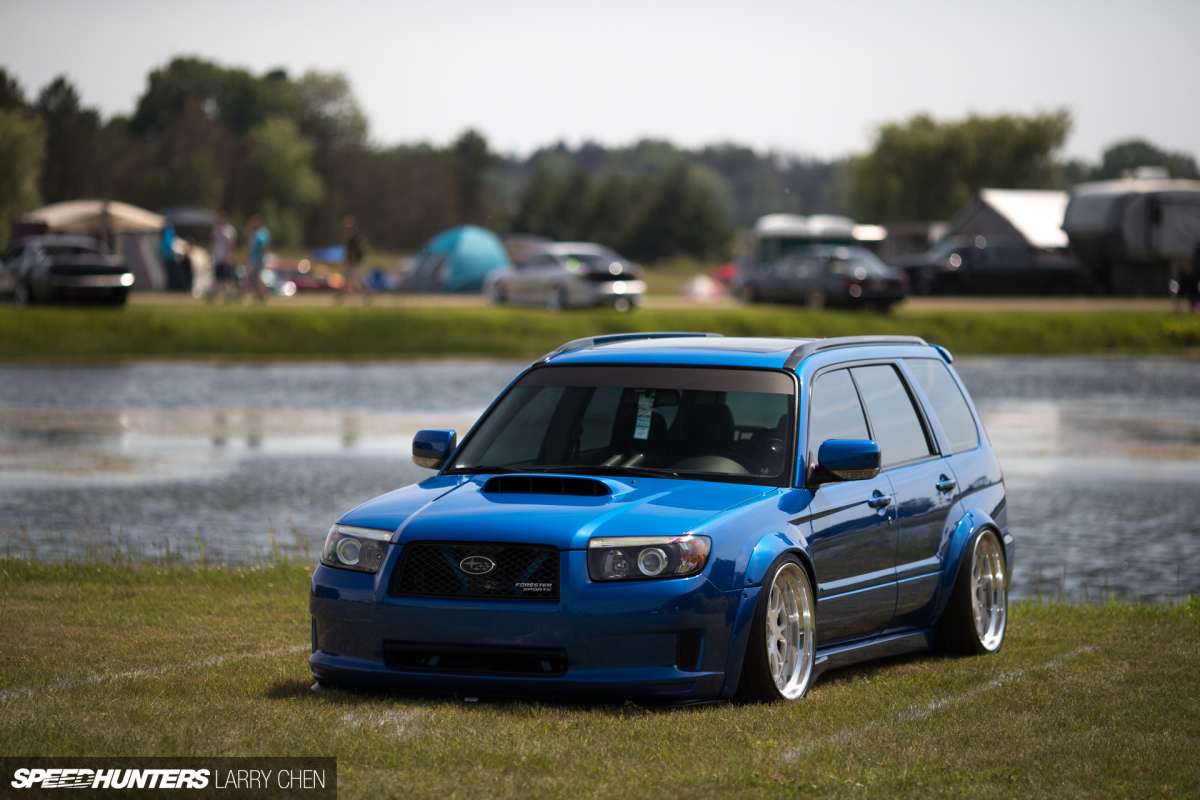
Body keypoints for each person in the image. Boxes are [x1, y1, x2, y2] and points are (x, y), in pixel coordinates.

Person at [337, 215, 370, 302]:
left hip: (354, 260)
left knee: (351, 277)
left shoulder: (354, 237)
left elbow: (354, 251)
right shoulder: (350, 237)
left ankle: (342, 295)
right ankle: (342, 294)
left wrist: (350, 261)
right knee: (351, 278)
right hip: (352, 260)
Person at [209, 212, 237, 302]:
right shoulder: (216, 231)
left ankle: (229, 295)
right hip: (217, 258)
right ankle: (216, 295)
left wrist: (230, 256)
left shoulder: (229, 230)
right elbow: (212, 244)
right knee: (218, 277)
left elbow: (231, 245)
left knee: (226, 278)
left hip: (225, 258)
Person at [245, 215, 271, 302]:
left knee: (255, 278)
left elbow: (263, 247)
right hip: (253, 259)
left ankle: (263, 293)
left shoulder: (262, 233)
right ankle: (260, 295)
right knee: (253, 279)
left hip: (258, 260)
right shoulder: (253, 234)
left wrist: (260, 259)